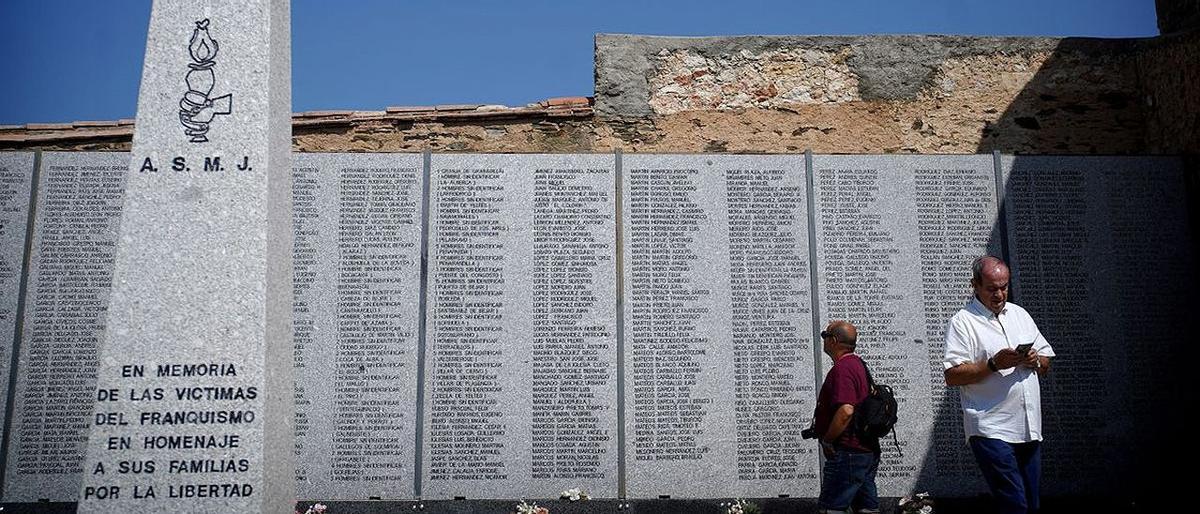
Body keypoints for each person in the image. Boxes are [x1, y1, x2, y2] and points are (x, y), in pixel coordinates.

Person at [944, 256, 1054, 514]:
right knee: (1014, 503)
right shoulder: (963, 322)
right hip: (991, 427)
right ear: (975, 285)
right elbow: (953, 375)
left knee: (1032, 504)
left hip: (1028, 426)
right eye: (992, 288)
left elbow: (1047, 363)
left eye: (1004, 286)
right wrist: (993, 364)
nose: (999, 294)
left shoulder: (1020, 315)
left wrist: (1035, 359)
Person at [812, 320, 880, 514]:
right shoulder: (858, 364)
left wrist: (827, 440)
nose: (823, 340)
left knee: (832, 508)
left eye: (825, 336)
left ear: (833, 340)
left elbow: (846, 411)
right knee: (867, 508)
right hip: (865, 450)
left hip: (848, 451)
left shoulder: (843, 369)